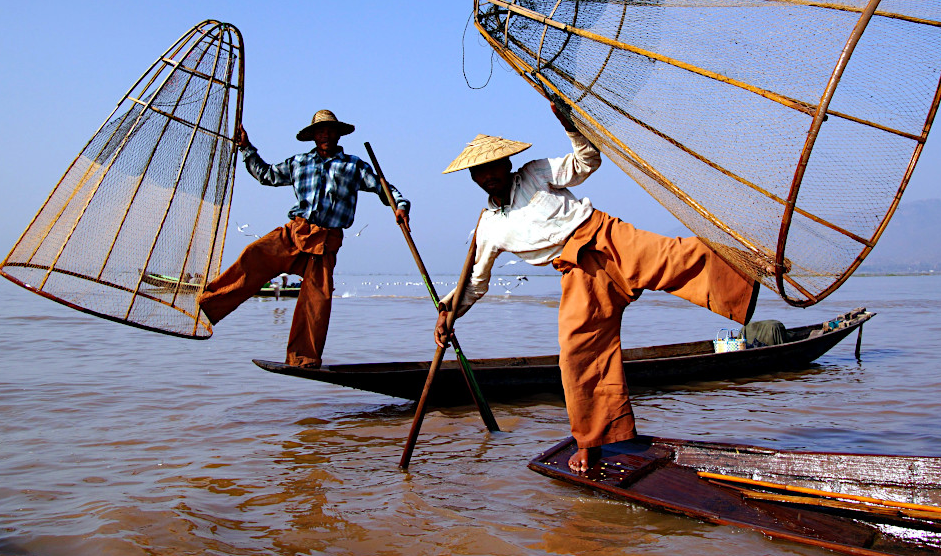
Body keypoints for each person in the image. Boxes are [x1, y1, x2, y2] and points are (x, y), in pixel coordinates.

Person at [435, 103, 758, 473]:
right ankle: (592, 442)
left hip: (606, 237)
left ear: (507, 165)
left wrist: (571, 127)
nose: (488, 176)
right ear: (473, 178)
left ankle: (751, 270)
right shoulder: (488, 227)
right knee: (578, 355)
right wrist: (449, 312)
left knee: (677, 257)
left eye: (492, 167)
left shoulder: (536, 172)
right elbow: (475, 282)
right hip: (577, 272)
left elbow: (586, 162)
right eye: (479, 172)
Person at [198, 109, 409, 368]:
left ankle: (303, 358)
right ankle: (208, 304)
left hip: (326, 242)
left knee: (316, 303)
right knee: (254, 255)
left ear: (338, 134)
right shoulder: (299, 162)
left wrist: (399, 206)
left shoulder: (353, 166)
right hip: (295, 233)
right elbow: (266, 175)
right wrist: (246, 148)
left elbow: (383, 187)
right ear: (313, 136)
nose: (326, 135)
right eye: (321, 131)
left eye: (330, 131)